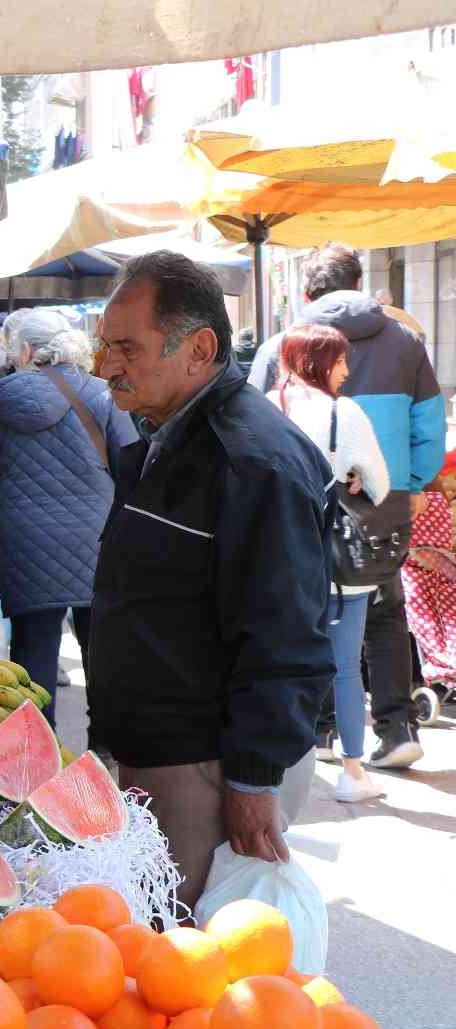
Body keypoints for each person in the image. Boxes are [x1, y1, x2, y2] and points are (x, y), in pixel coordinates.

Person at [90, 251, 333, 909]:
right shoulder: (170, 439)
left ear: (198, 349)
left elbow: (285, 634)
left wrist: (253, 782)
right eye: (103, 345)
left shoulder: (252, 463)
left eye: (125, 348)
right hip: (159, 748)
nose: (104, 366)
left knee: (193, 969)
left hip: (204, 765)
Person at [248, 243, 440, 769]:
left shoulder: (281, 346)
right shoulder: (405, 340)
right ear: (358, 279)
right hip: (386, 499)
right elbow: (430, 423)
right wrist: (414, 483)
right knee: (384, 610)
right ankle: (396, 727)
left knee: (312, 612)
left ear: (308, 292)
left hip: (304, 506)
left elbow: (249, 428)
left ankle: (325, 728)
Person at [0, 310, 137, 727]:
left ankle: (36, 750)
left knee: (33, 650)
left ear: (26, 350)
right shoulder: (103, 394)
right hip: (96, 538)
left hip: (26, 541)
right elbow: (130, 465)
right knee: (101, 649)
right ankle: (106, 744)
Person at [267, 323, 391, 802]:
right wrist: (353, 477)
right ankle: (352, 773)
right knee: (343, 665)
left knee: (279, 658)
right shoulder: (344, 412)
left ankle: (283, 764)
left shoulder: (269, 405)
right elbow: (378, 484)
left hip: (278, 556)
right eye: (339, 361)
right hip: (336, 561)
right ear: (319, 363)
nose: (345, 370)